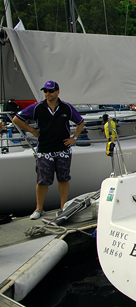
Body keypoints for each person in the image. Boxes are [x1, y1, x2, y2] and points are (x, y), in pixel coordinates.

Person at [12, 80, 85, 220]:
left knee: (63, 178)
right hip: (44, 150)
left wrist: (74, 138)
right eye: (45, 91)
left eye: (50, 91)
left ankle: (63, 206)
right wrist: (32, 131)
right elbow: (16, 119)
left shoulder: (67, 108)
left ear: (57, 92)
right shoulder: (37, 107)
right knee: (42, 180)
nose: (48, 93)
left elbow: (80, 122)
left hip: (63, 149)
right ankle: (39, 209)